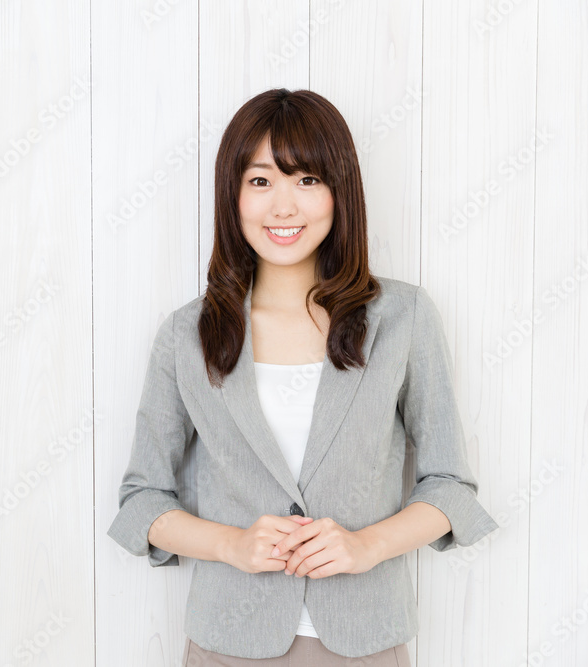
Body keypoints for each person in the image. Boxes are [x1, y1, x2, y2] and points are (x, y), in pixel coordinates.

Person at [106, 88, 498, 665]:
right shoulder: (185, 335)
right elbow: (142, 501)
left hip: (365, 640)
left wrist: (366, 546)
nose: (283, 207)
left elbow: (450, 488)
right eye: (261, 181)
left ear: (340, 192)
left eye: (308, 180)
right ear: (232, 195)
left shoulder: (403, 318)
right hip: (228, 643)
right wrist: (231, 544)